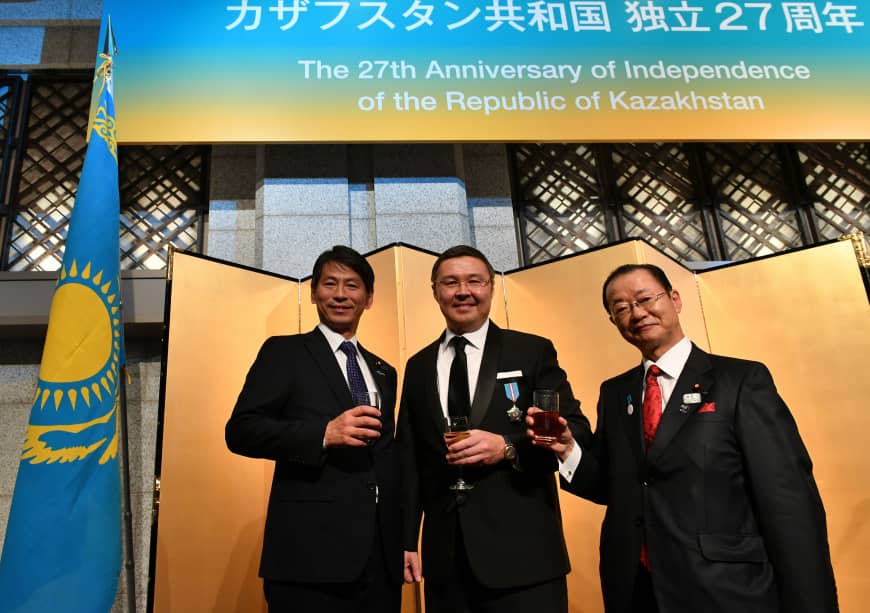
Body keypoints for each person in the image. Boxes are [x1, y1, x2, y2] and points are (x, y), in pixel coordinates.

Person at [529, 263, 838, 613]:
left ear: (675, 299)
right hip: (636, 589)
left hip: (725, 588)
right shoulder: (616, 393)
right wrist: (568, 449)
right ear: (613, 322)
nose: (637, 313)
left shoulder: (740, 380)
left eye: (646, 298)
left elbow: (788, 501)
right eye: (622, 308)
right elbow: (612, 486)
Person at [398, 245, 591, 613]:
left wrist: (508, 446)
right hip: (446, 559)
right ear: (435, 290)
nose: (463, 291)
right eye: (450, 282)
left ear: (492, 287)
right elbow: (409, 458)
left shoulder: (531, 351)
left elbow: (574, 430)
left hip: (525, 556)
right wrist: (407, 539)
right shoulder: (418, 365)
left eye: (475, 281)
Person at [225, 245, 402, 613]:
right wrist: (323, 434)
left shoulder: (385, 371)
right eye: (330, 284)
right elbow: (241, 430)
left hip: (379, 559)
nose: (340, 294)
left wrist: (401, 543)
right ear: (313, 292)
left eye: (352, 286)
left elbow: (386, 460)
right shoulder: (284, 352)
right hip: (308, 557)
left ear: (368, 298)